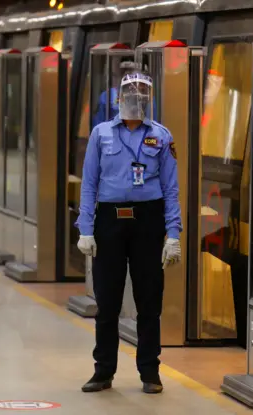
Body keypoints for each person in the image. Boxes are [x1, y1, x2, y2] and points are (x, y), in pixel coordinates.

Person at [75, 71, 182, 394]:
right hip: (109, 220)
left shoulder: (161, 136)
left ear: (150, 98)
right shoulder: (101, 133)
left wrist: (173, 233)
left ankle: (150, 372)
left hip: (147, 221)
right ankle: (103, 370)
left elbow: (170, 189)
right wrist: (86, 229)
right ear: (118, 98)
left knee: (149, 300)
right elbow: (89, 182)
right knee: (107, 300)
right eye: (130, 93)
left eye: (142, 93)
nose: (136, 98)